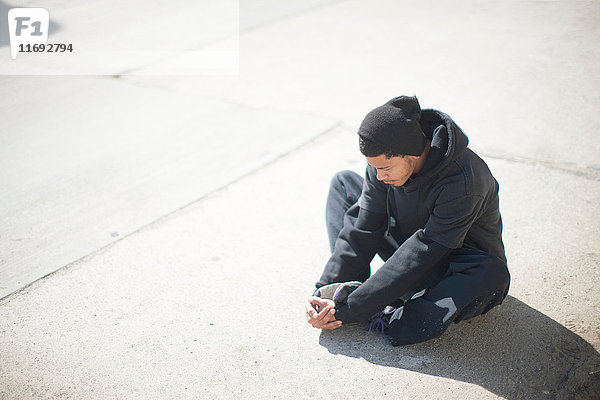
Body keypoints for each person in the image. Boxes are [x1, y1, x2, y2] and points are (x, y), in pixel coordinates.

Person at [305, 95, 510, 346]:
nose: (379, 176)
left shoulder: (464, 181)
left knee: (493, 274)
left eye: (386, 168)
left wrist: (351, 310)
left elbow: (424, 250)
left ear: (411, 153)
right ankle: (354, 288)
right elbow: (365, 225)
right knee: (344, 184)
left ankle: (397, 313)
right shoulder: (383, 166)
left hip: (451, 266)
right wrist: (326, 293)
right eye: (374, 167)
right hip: (408, 246)